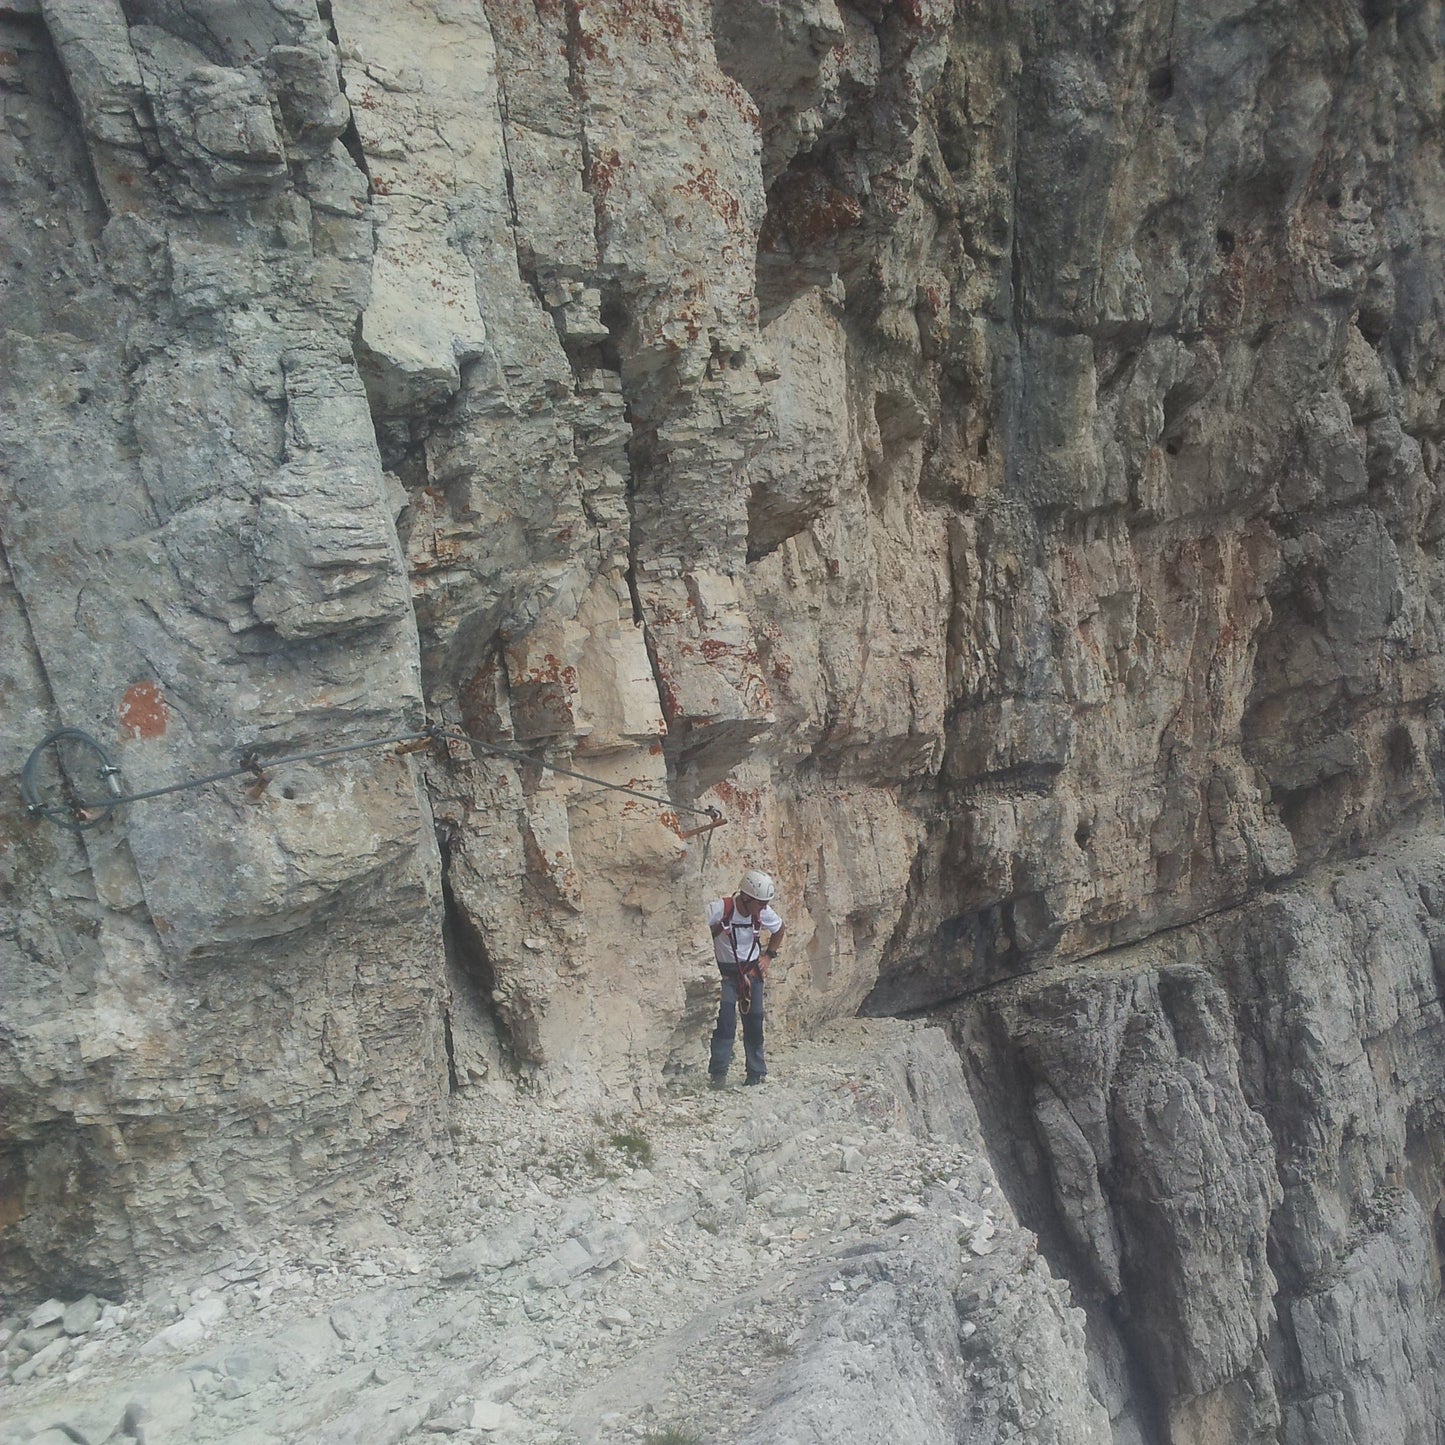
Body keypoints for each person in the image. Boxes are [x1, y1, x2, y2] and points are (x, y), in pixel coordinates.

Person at [706, 869, 785, 1087]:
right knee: (725, 1024)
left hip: (752, 974)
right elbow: (696, 929)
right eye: (760, 904)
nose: (764, 909)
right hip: (726, 975)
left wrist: (768, 956)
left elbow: (779, 929)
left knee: (754, 1021)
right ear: (747, 897)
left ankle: (756, 1073)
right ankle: (718, 1075)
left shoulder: (761, 912)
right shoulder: (721, 909)